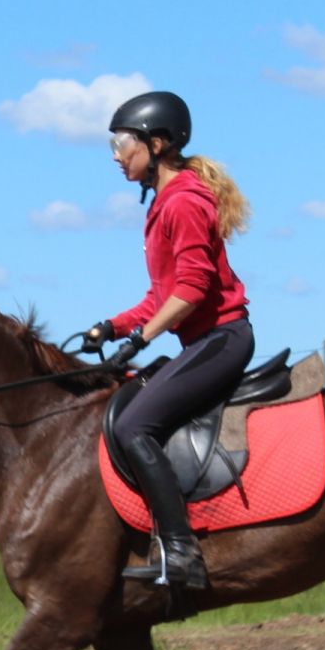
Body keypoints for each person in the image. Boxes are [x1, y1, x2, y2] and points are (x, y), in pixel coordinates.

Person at [73, 90, 254, 590]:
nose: (115, 155)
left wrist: (138, 340)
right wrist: (112, 326)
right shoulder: (163, 204)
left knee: (133, 426)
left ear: (156, 143)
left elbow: (193, 291)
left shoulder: (184, 202)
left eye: (121, 144)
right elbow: (162, 296)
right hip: (200, 341)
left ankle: (182, 552)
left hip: (222, 338)